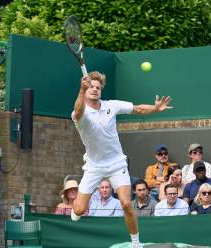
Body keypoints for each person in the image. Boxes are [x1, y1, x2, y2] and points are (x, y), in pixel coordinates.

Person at [71, 71, 173, 248]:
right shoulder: (79, 113)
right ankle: (76, 209)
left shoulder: (112, 105)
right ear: (85, 90)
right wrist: (81, 89)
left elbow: (139, 109)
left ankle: (136, 243)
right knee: (79, 209)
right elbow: (78, 112)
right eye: (91, 87)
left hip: (116, 162)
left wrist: (155, 108)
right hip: (94, 165)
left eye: (97, 87)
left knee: (126, 203)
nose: (94, 90)